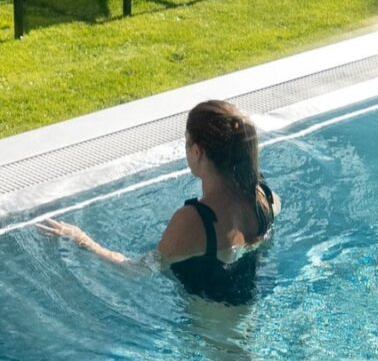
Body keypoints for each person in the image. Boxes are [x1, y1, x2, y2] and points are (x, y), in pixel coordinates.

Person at [40, 99, 278, 305]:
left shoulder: (193, 220)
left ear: (197, 152)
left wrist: (81, 240)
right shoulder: (263, 197)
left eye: (186, 143)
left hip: (214, 334)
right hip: (249, 315)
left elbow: (137, 270)